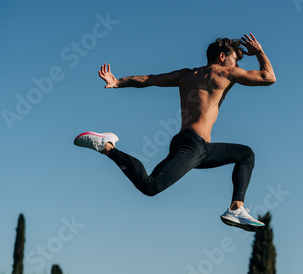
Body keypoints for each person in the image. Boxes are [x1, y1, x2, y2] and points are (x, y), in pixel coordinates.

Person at [74, 33, 276, 231]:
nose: (237, 67)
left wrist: (118, 82)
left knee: (246, 154)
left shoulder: (186, 75)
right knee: (150, 187)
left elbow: (149, 79)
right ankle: (106, 147)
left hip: (200, 148)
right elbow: (269, 78)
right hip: (191, 146)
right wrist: (259, 52)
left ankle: (236, 208)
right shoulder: (225, 73)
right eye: (234, 61)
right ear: (222, 57)